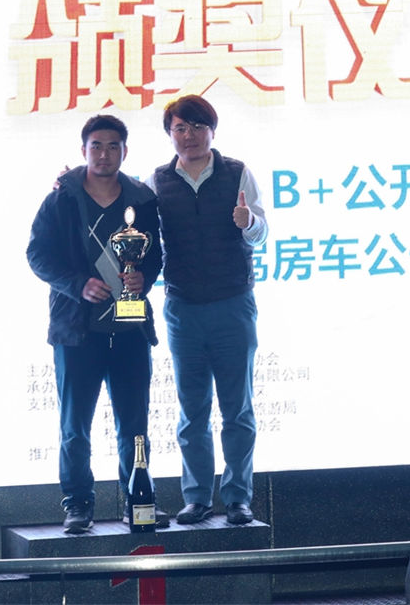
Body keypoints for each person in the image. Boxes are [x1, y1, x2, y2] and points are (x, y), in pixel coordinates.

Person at [26, 114, 164, 533]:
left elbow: (155, 255)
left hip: (130, 329)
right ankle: (78, 504)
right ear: (83, 150)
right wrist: (77, 285)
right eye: (96, 146)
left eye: (113, 146)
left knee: (135, 426)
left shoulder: (142, 200)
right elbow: (37, 256)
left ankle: (138, 499)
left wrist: (144, 279)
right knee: (75, 426)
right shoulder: (61, 200)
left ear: (125, 151)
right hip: (77, 331)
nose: (104, 154)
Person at [146, 94, 268, 525]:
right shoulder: (158, 181)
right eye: (180, 128)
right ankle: (196, 497)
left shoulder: (238, 172)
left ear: (212, 131)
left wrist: (248, 222)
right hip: (183, 308)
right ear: (170, 134)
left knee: (238, 409)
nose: (189, 135)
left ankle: (238, 498)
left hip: (233, 304)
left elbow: (261, 232)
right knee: (192, 410)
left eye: (198, 126)